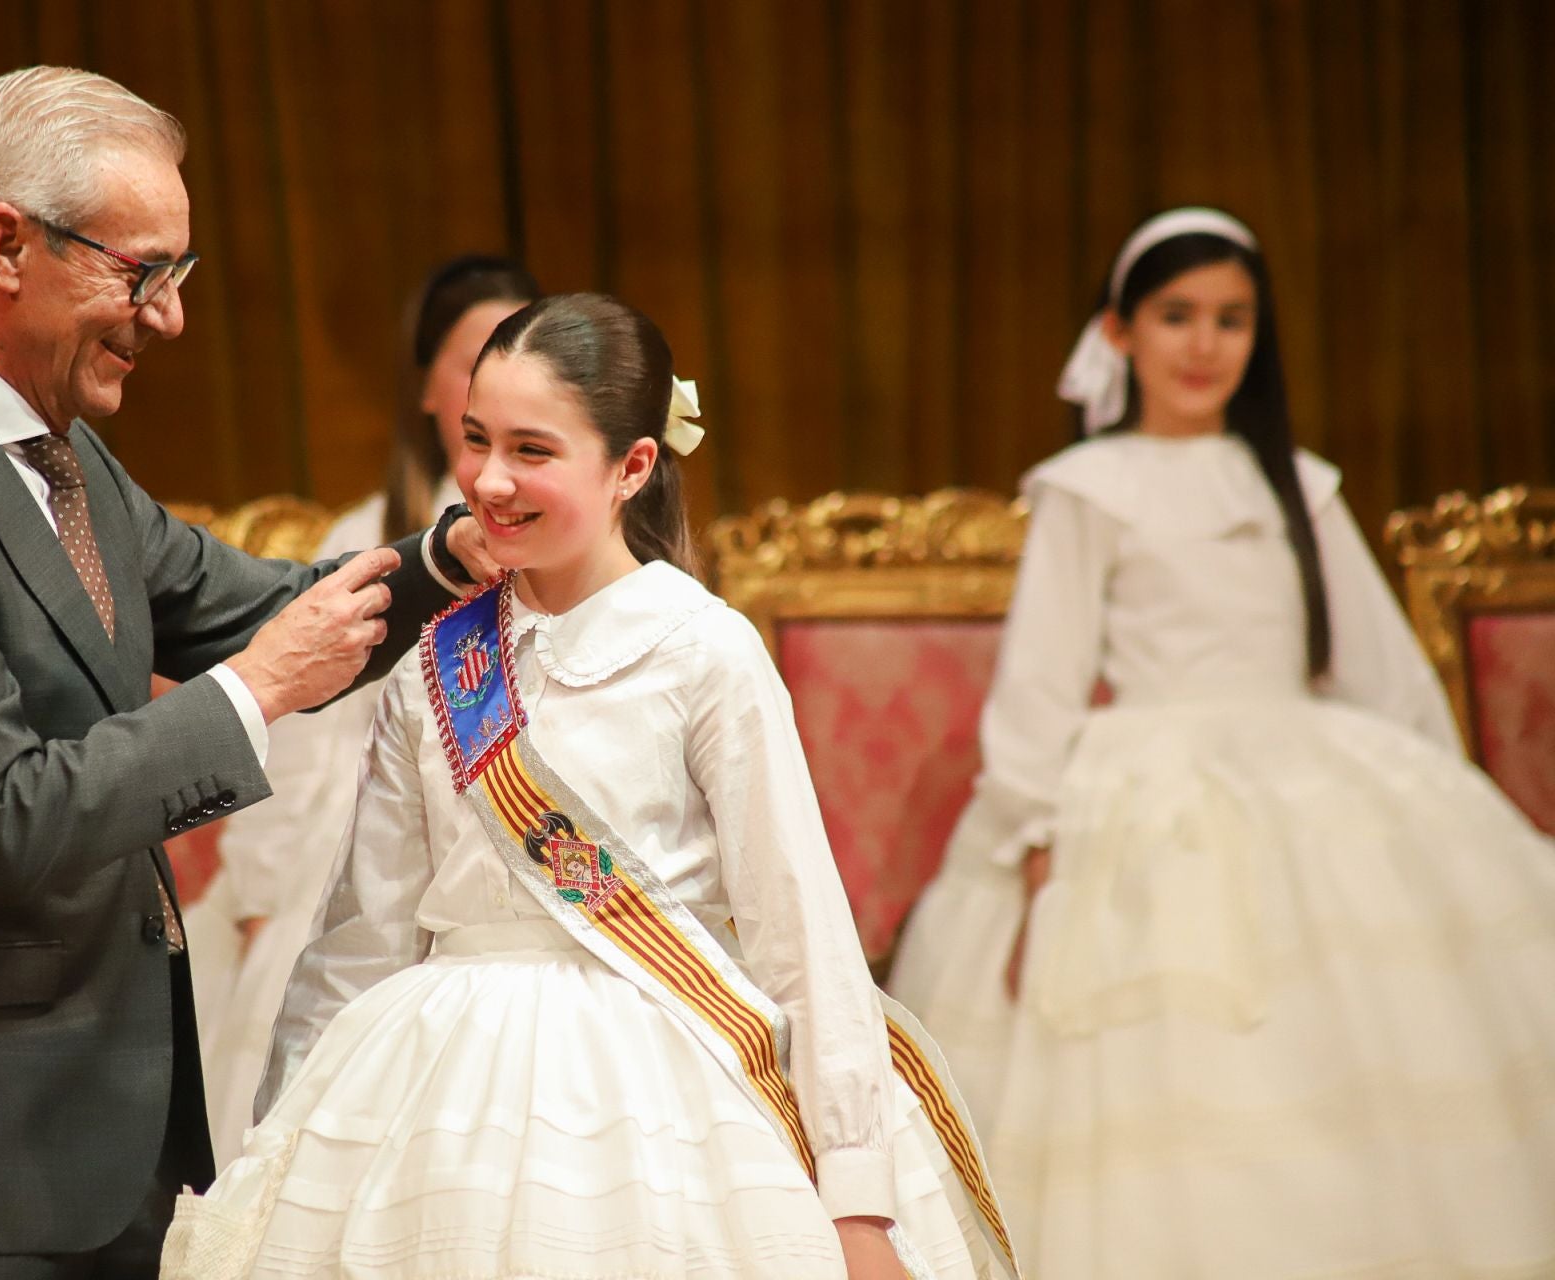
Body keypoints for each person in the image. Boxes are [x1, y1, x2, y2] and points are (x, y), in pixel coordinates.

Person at [0, 66, 486, 1277]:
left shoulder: (64, 454)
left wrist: (455, 554)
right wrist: (256, 690)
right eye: (141, 273)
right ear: (7, 245)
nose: (169, 317)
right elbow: (7, 816)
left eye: (178, 276)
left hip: (115, 1147)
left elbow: (253, 599)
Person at [162, 294, 1020, 1280]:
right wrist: (284, 1149)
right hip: (438, 1095)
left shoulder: (701, 649)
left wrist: (859, 1199)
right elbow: (365, 929)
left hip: (662, 1085)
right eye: (476, 439)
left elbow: (798, 928)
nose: (489, 479)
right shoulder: (441, 652)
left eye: (533, 449)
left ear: (633, 466)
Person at [885, 207, 1555, 1278]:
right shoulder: (1089, 488)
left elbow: (1381, 667)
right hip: (1150, 783)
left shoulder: (1301, 480)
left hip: (1309, 771)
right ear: (1121, 332)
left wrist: (1434, 802)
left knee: (1372, 1032)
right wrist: (1033, 829)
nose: (1205, 344)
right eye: (1178, 315)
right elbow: (1042, 683)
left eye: (1232, 319)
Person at [194, 254, 540, 1164]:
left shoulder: (565, 548)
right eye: (476, 359)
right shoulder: (367, 542)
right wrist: (265, 899)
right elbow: (302, 739)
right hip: (365, 851)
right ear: (430, 387)